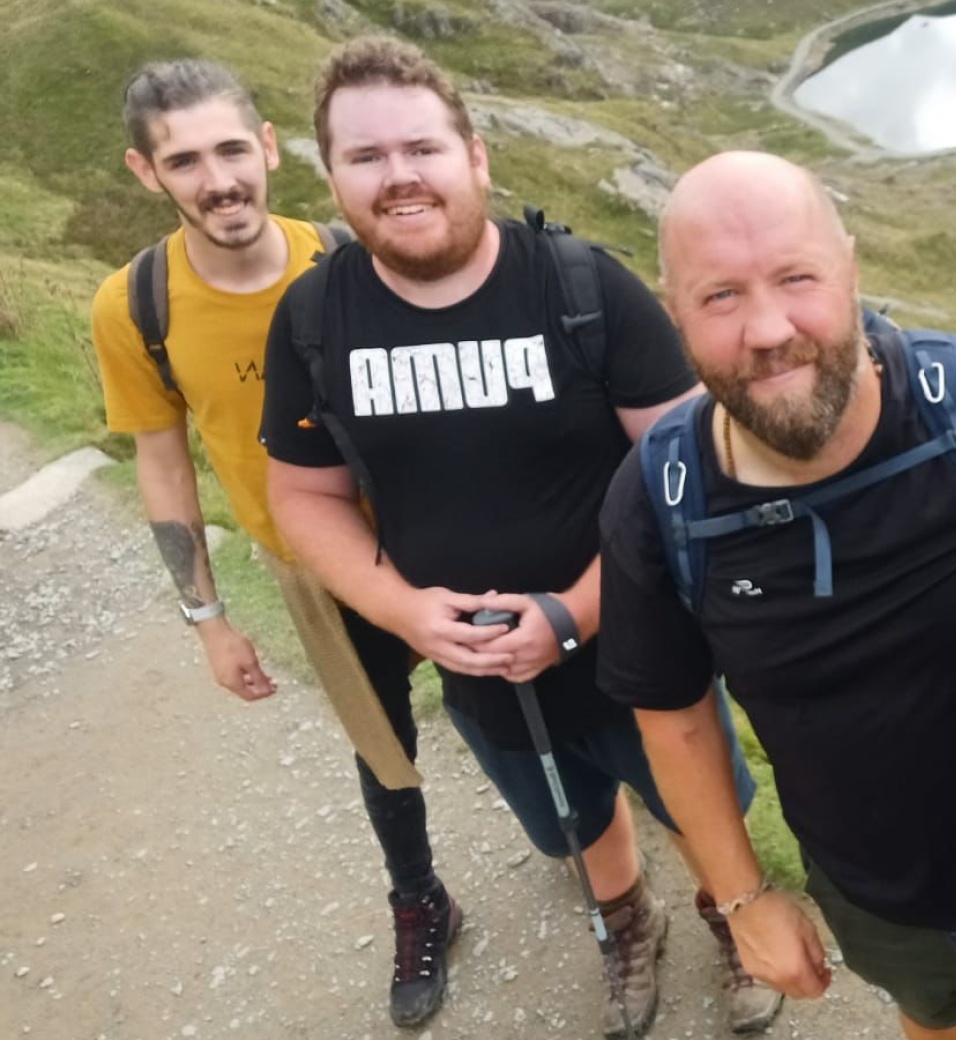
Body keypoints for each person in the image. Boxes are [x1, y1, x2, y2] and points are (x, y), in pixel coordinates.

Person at [260, 38, 777, 1038]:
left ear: (476, 156)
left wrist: (575, 612)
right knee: (573, 819)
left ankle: (732, 915)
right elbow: (303, 494)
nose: (399, 174)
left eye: (422, 147)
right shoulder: (317, 317)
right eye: (366, 157)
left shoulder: (583, 287)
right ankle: (631, 920)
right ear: (331, 175)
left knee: (695, 800)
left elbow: (689, 470)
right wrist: (409, 612)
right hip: (481, 672)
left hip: (642, 645)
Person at [598, 150, 956, 1040]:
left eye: (797, 277)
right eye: (720, 297)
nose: (767, 329)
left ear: (852, 269)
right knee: (933, 1018)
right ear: (674, 314)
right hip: (881, 901)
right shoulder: (660, 499)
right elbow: (673, 717)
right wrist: (745, 898)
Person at [90, 59, 470, 1028]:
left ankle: (594, 851)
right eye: (185, 161)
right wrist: (208, 619)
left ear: (266, 147)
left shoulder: (350, 251)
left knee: (525, 701)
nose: (217, 179)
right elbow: (164, 464)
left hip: (446, 532)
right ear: (148, 173)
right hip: (309, 568)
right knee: (380, 745)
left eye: (229, 148)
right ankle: (420, 895)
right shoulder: (136, 306)